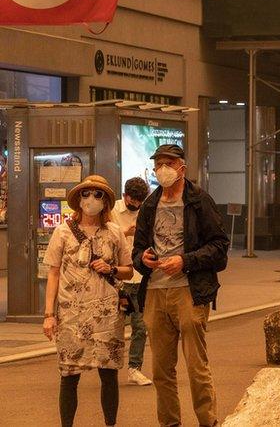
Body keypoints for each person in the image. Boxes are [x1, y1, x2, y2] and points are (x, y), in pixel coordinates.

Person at [132, 144, 229, 427]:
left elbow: (220, 247)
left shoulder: (199, 201)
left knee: (196, 367)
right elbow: (137, 252)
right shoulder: (150, 205)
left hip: (189, 290)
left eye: (169, 163)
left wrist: (184, 261)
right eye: (159, 163)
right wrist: (143, 259)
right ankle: (170, 423)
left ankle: (207, 421)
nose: (163, 168)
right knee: (161, 371)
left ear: (182, 168)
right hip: (154, 293)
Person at [42, 175, 134, 427]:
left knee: (109, 374)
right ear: (78, 200)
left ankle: (110, 424)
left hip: (107, 313)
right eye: (86, 194)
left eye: (98, 195)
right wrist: (49, 314)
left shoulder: (114, 232)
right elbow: (53, 272)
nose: (91, 199)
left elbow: (128, 269)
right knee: (69, 376)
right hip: (72, 314)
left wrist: (111, 268)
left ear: (105, 202)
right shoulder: (62, 232)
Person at [110, 176, 152, 386]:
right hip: (119, 279)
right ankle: (109, 367)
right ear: (125, 195)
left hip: (141, 277)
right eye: (132, 200)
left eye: (139, 202)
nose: (135, 205)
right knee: (114, 326)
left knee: (141, 326)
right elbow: (105, 241)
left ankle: (135, 368)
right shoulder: (112, 211)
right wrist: (125, 233)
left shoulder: (146, 212)